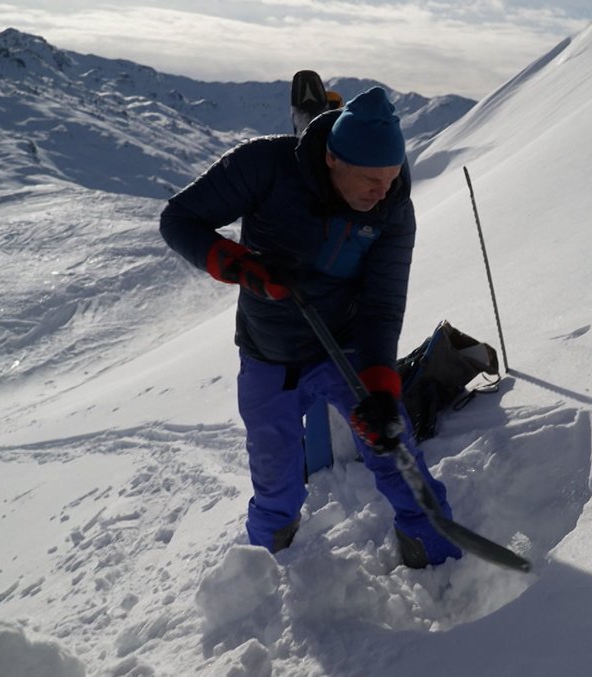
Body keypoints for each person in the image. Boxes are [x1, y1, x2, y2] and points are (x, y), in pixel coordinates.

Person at [159, 87, 462, 568]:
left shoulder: (393, 205)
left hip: (342, 346)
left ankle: (437, 554)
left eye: (390, 177)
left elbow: (382, 305)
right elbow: (178, 218)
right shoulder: (265, 165)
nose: (381, 192)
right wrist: (241, 266)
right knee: (276, 480)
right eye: (369, 179)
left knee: (393, 444)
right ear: (332, 158)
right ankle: (264, 566)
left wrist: (382, 387)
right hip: (268, 352)